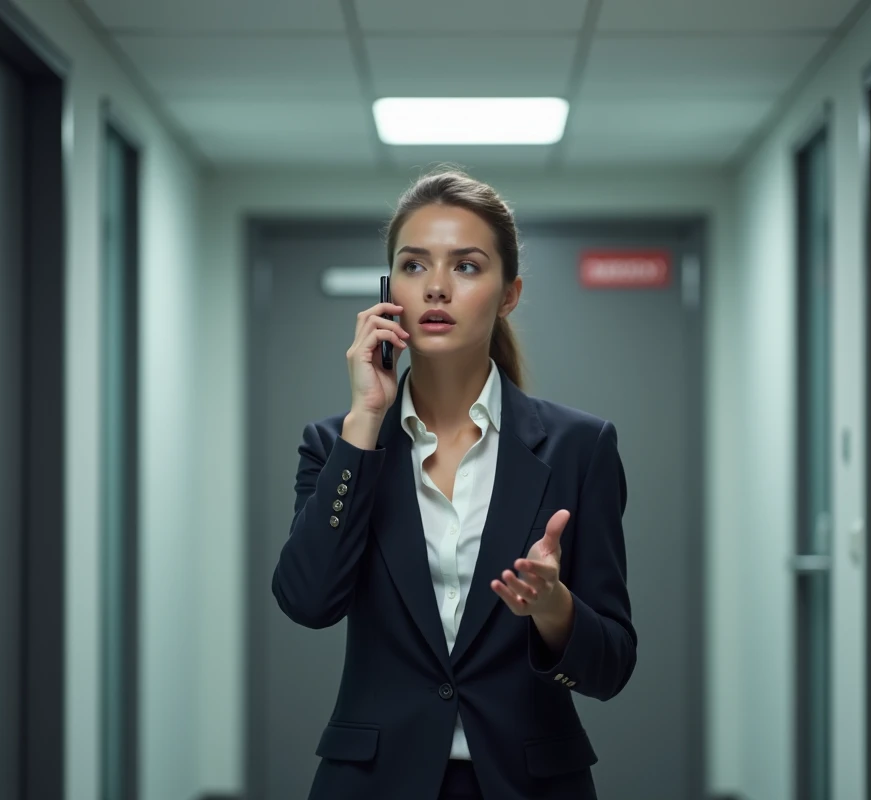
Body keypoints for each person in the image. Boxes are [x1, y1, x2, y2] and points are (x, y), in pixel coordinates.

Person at [271, 169, 637, 800]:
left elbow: (610, 666)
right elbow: (307, 601)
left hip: (530, 784)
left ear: (509, 292)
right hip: (372, 784)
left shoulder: (581, 447)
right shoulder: (338, 445)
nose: (436, 287)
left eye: (466, 267)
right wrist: (366, 421)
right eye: (414, 267)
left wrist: (555, 609)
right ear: (389, 291)